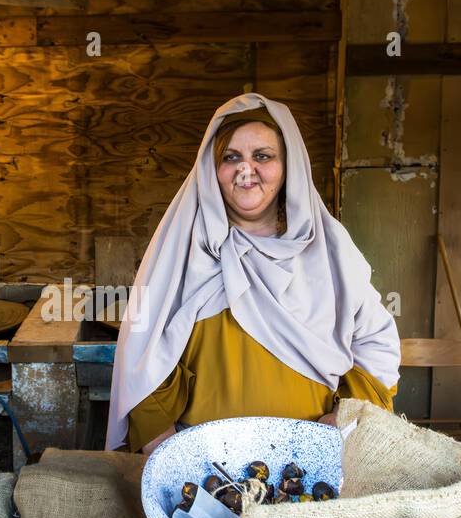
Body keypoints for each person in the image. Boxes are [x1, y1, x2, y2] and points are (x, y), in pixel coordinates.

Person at [106, 93, 401, 454]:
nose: (247, 170)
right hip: (205, 472)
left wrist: (341, 420)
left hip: (307, 463)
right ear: (211, 168)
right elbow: (143, 352)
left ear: (288, 165)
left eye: (263, 156)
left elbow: (376, 342)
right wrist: (168, 455)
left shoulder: (329, 249)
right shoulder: (181, 250)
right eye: (231, 157)